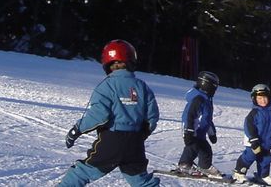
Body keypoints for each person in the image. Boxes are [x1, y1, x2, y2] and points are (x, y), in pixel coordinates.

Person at [58, 40, 161, 187]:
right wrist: (140, 135)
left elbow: (99, 116)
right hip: (135, 144)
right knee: (141, 180)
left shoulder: (106, 86)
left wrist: (76, 130)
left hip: (111, 141)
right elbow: (152, 117)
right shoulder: (142, 87)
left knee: (82, 172)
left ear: (107, 63)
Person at [233, 84, 271, 186]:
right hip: (252, 142)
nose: (263, 100)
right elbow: (249, 128)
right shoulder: (254, 113)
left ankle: (263, 175)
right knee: (250, 156)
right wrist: (254, 141)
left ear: (269, 98)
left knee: (266, 159)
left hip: (266, 142)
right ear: (254, 99)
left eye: (265, 98)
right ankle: (239, 172)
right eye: (259, 98)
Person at [174, 71, 222, 178]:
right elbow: (189, 116)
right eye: (214, 87)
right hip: (191, 130)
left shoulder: (206, 100)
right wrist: (189, 131)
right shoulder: (198, 99)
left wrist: (212, 134)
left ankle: (205, 167)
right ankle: (184, 164)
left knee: (205, 149)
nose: (215, 90)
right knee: (192, 147)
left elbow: (207, 119)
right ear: (207, 85)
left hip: (200, 132)